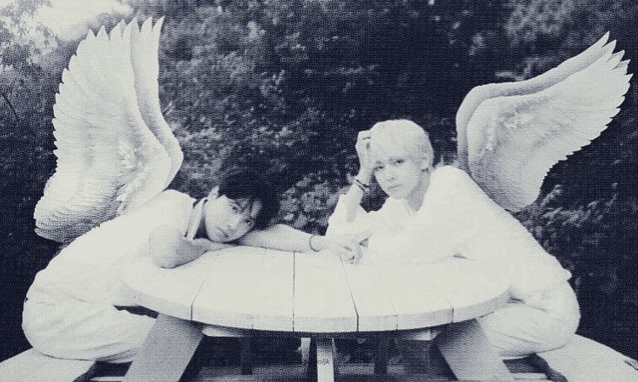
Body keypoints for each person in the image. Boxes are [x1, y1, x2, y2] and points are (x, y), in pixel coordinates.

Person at [23, 167, 365, 363]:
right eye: (233, 209)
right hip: (58, 313)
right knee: (183, 345)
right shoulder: (172, 206)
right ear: (214, 193)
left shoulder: (216, 225)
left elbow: (267, 236)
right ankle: (293, 355)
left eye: (246, 221)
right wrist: (202, 248)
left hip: (90, 308)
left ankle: (293, 354)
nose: (235, 226)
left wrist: (321, 243)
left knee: (199, 339)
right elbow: (168, 252)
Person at [326, 119, 580, 362]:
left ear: (424, 159)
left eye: (398, 162)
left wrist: (366, 241)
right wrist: (363, 174)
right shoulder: (400, 204)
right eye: (379, 167)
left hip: (544, 311)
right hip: (500, 307)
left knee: (436, 340)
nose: (388, 175)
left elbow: (405, 251)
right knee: (420, 334)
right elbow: (339, 235)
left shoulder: (450, 186)